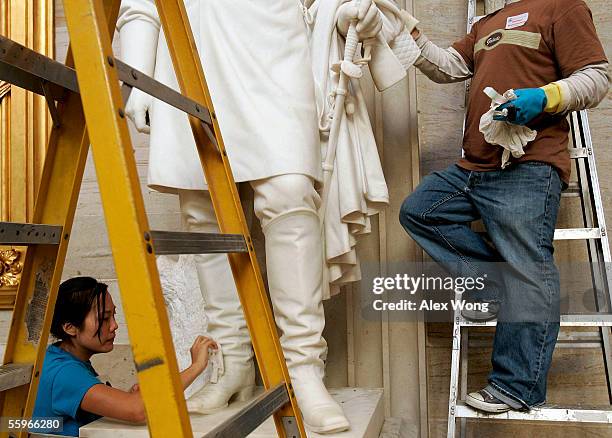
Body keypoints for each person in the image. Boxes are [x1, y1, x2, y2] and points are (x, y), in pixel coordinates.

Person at [116, 0, 412, 433]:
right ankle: (234, 361)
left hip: (274, 43)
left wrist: (350, 9)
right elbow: (140, 4)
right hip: (188, 48)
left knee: (290, 193)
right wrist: (138, 77)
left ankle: (303, 368)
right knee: (205, 213)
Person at [399, 0, 609, 413]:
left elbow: (596, 78)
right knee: (420, 211)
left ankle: (517, 387)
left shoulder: (562, 8)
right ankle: (496, 284)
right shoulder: (486, 23)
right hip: (475, 164)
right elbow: (449, 68)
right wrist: (409, 33)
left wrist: (545, 97)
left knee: (528, 268)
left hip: (527, 165)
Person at [33, 277, 217, 436]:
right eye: (104, 319)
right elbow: (137, 411)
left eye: (113, 315)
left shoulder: (59, 357)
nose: (114, 326)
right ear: (70, 327)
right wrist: (196, 366)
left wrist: (124, 399)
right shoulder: (63, 372)